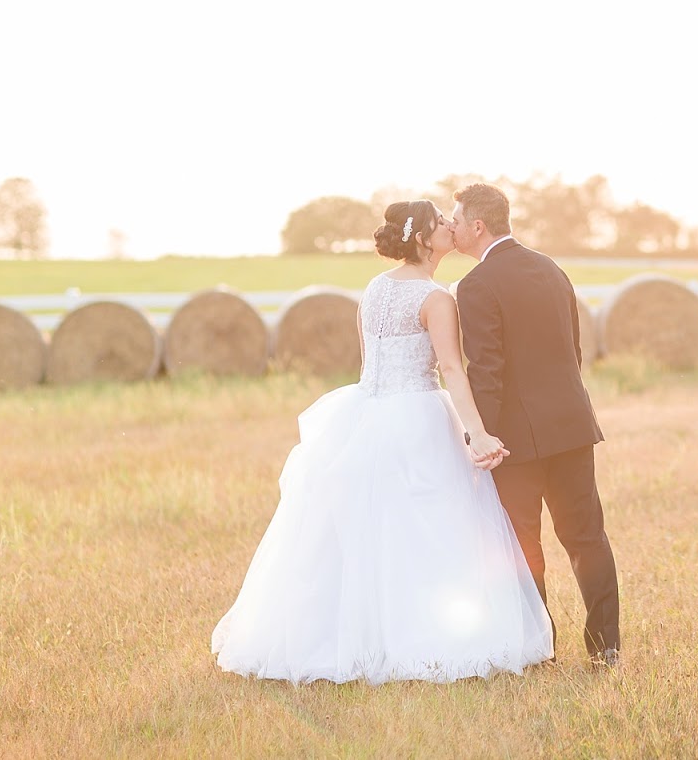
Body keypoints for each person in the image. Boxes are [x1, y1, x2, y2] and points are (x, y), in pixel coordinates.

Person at [211, 199, 553, 684]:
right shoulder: (437, 299)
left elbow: (368, 362)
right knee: (429, 528)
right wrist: (476, 433)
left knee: (365, 529)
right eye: (440, 224)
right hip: (417, 416)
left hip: (365, 414)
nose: (450, 227)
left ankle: (346, 635)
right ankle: (429, 636)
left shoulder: (374, 289)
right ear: (424, 239)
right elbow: (451, 369)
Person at [448, 182, 621, 669]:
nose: (452, 228)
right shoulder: (551, 268)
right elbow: (574, 350)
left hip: (514, 441)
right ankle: (605, 647)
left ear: (477, 226)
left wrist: (479, 437)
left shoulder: (476, 285)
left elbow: (487, 370)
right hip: (572, 425)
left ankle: (539, 649)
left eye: (456, 221)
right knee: (587, 537)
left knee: (522, 544)